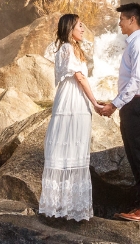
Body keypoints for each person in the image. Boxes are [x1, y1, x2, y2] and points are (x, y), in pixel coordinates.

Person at [40, 13, 105, 221]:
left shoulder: (67, 48)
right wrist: (95, 103)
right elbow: (80, 77)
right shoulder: (68, 48)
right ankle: (69, 207)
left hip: (69, 99)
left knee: (68, 148)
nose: (83, 28)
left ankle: (63, 205)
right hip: (73, 101)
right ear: (70, 29)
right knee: (73, 147)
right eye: (79, 25)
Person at [98, 2, 140, 223]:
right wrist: (116, 101)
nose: (119, 22)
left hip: (139, 105)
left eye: (122, 19)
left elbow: (136, 81)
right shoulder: (133, 44)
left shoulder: (139, 44)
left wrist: (114, 105)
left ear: (132, 20)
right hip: (133, 105)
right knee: (135, 158)